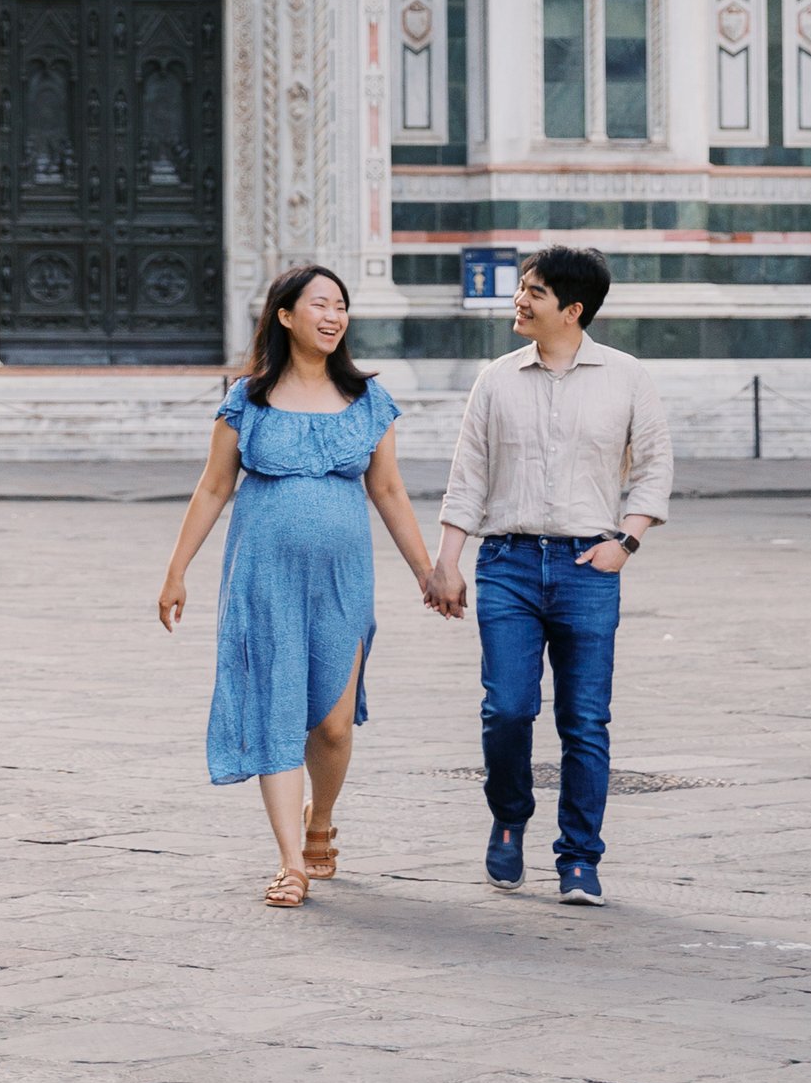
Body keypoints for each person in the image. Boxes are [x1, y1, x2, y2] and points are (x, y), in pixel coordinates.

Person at [157, 264, 443, 908]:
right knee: (275, 710)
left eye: (340, 305)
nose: (333, 316)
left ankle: (321, 822)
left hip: (342, 582)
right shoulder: (247, 399)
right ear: (285, 316)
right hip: (262, 581)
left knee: (335, 726)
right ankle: (291, 862)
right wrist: (177, 570)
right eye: (320, 304)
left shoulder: (369, 400)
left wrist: (427, 571)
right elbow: (213, 486)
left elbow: (390, 490)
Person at [427, 244, 673, 906]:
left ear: (572, 309)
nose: (519, 298)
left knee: (585, 720)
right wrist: (446, 559)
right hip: (506, 562)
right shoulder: (496, 378)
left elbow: (653, 466)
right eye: (522, 288)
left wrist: (628, 539)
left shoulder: (626, 377)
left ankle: (579, 857)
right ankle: (509, 817)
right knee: (507, 707)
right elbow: (468, 474)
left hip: (589, 564)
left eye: (533, 291)